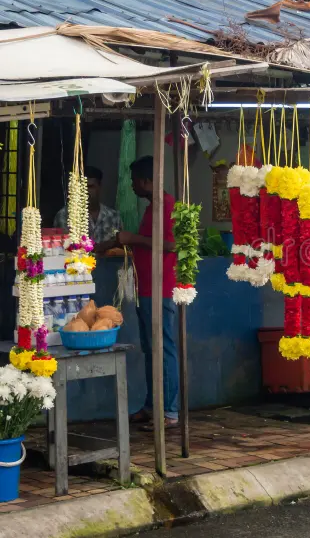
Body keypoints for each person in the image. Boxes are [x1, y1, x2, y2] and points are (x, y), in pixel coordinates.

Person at [116, 156, 179, 429]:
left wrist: (133, 239)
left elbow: (170, 245)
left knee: (163, 349)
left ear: (145, 181)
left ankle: (170, 411)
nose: (131, 186)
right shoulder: (153, 207)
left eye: (133, 181)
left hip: (161, 288)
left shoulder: (166, 205)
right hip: (147, 288)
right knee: (151, 349)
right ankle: (152, 405)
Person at [54, 166, 122, 254]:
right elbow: (62, 250)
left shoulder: (113, 217)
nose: (86, 191)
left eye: (90, 187)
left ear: (99, 186)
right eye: (82, 187)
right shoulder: (65, 215)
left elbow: (120, 247)